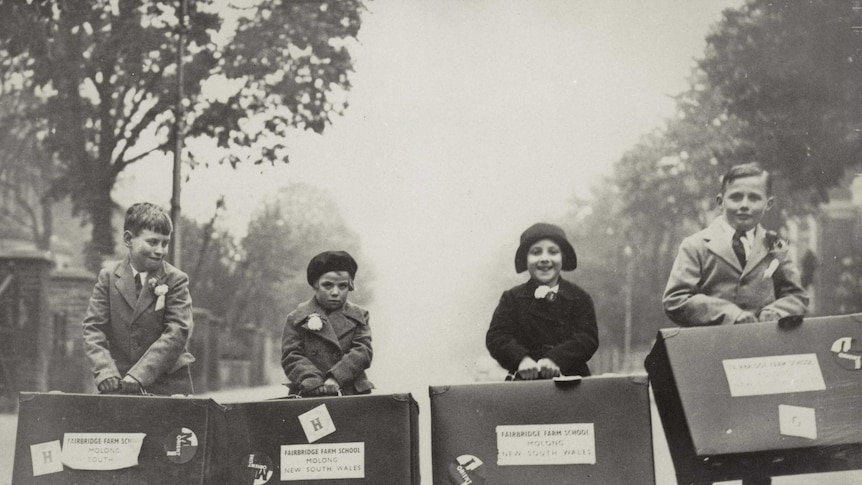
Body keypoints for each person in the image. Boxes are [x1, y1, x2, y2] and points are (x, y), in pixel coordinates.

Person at [662, 163, 808, 485]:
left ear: (768, 204)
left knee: (757, 454)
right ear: (720, 201)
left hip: (757, 364)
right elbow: (675, 298)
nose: (744, 204)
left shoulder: (775, 247)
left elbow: (797, 296)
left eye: (754, 197)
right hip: (706, 364)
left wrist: (779, 310)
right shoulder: (697, 245)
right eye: (736, 196)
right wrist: (729, 314)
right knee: (702, 454)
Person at [82, 202, 195, 396]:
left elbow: (177, 332)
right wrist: (105, 371)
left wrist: (139, 375)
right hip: (121, 384)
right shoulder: (108, 277)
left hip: (169, 385)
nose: (160, 250)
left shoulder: (175, 280)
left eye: (165, 243)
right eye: (152, 242)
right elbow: (93, 329)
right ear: (128, 239)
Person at [486, 222, 598, 380]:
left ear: (563, 258)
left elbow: (587, 338)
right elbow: (497, 337)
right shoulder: (511, 299)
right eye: (536, 252)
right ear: (525, 259)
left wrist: (556, 358)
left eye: (553, 252)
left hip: (571, 381)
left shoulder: (579, 297)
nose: (544, 259)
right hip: (526, 382)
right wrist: (521, 359)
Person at [282, 250, 374, 396]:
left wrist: (336, 377)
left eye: (342, 286)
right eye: (328, 285)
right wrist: (312, 380)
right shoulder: (296, 318)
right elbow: (291, 355)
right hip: (309, 392)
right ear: (315, 285)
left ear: (350, 286)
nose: (335, 292)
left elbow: (362, 352)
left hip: (350, 394)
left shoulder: (359, 316)